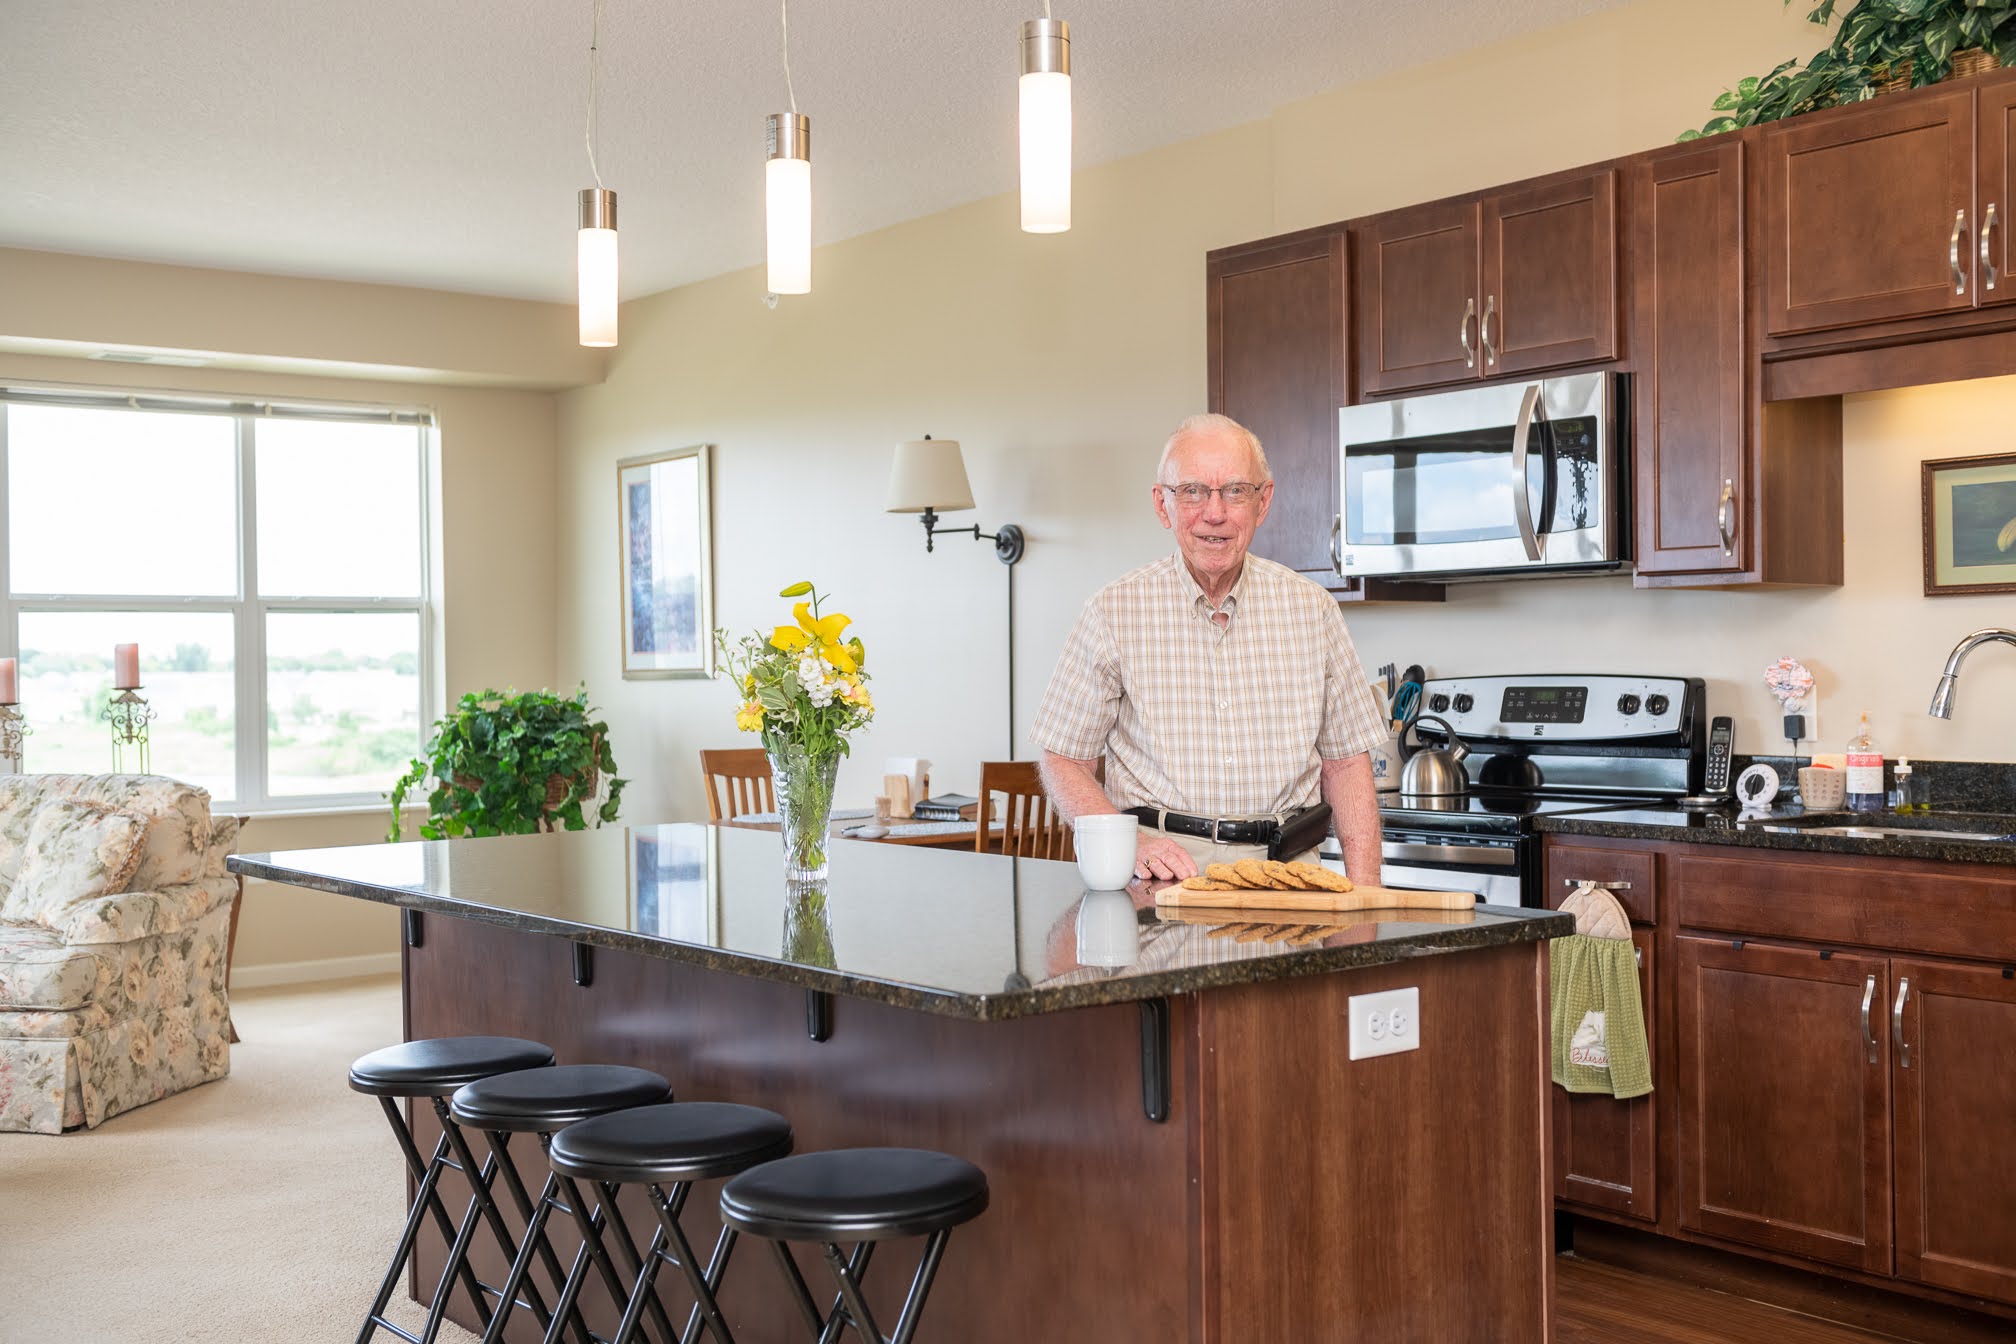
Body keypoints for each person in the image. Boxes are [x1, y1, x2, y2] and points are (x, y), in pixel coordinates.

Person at [1030, 413, 1386, 885]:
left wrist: (1365, 899)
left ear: (1264, 501)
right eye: (1193, 491)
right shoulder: (1112, 612)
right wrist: (1129, 841)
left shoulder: (1313, 610)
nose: (1214, 513)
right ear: (1163, 505)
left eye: (1235, 491)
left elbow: (1346, 764)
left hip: (1289, 872)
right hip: (1161, 871)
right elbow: (1063, 759)